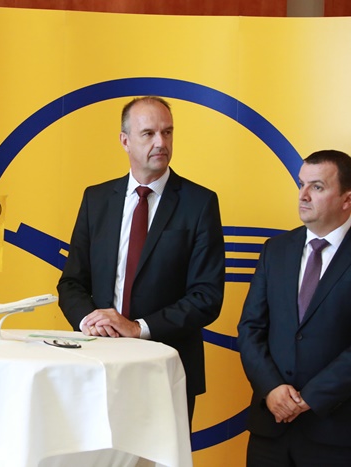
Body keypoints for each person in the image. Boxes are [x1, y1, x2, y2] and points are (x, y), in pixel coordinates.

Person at [57, 96, 225, 421]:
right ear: (125, 141)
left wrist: (138, 328)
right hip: (98, 364)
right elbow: (72, 282)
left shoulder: (200, 203)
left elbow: (207, 296)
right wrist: (89, 322)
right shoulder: (96, 199)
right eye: (148, 133)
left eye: (167, 132)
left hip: (167, 368)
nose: (161, 142)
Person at [237, 150, 351, 466]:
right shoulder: (275, 250)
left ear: (347, 199)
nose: (303, 196)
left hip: (337, 431)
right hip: (271, 426)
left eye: (317, 187)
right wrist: (272, 389)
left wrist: (308, 399)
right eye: (301, 184)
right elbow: (250, 328)